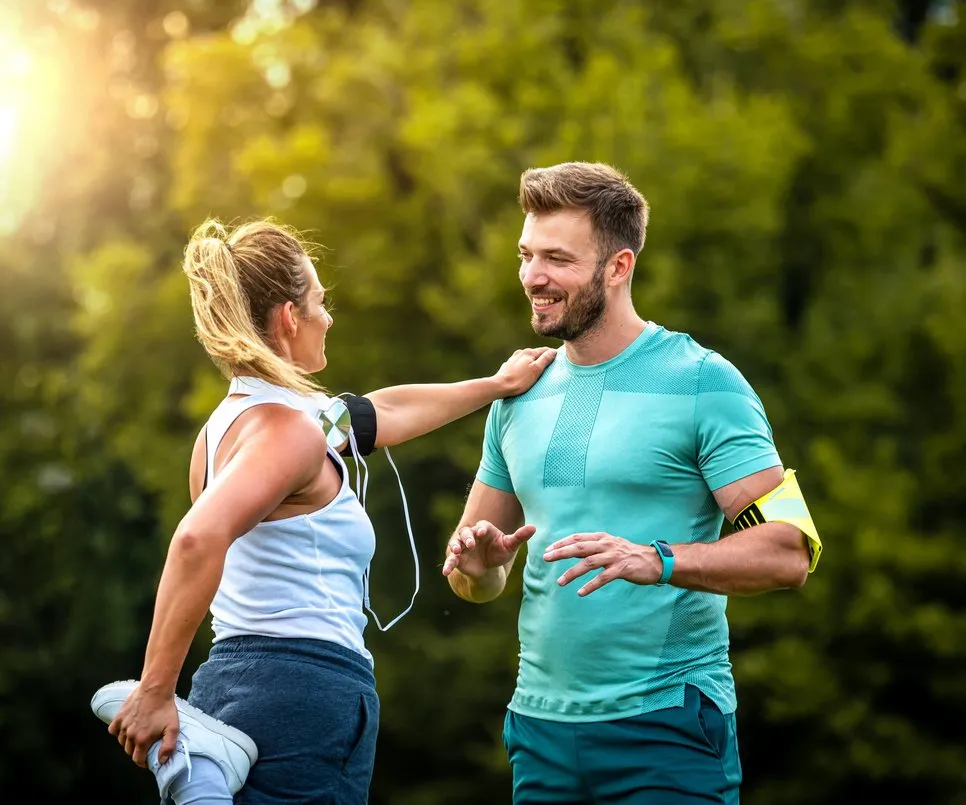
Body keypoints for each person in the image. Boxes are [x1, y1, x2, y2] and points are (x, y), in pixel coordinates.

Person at [98, 217, 557, 804]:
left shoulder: (231, 429)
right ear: (290, 318)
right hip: (303, 692)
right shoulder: (288, 434)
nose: (329, 317)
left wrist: (494, 386)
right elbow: (195, 540)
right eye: (320, 301)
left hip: (232, 681)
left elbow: (379, 414)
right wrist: (155, 690)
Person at [441, 162, 823, 805]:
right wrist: (478, 570)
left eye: (557, 258)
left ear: (618, 267)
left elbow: (790, 549)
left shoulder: (705, 382)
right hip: (539, 730)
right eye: (527, 255)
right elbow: (475, 578)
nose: (533, 276)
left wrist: (658, 559)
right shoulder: (518, 393)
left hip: (666, 727)